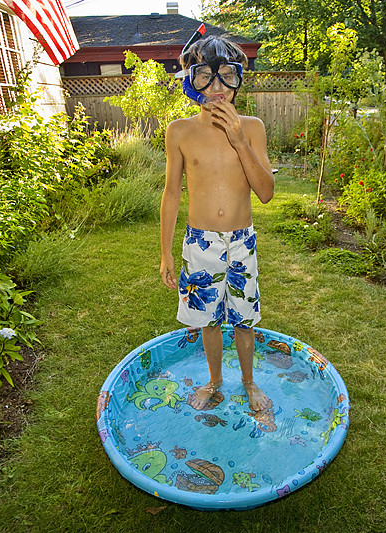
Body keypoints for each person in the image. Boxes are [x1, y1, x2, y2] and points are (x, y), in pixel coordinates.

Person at [160, 35, 274, 412]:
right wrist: (165, 253)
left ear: (239, 79)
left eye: (227, 77)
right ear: (191, 81)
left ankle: (249, 381)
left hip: (242, 241)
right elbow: (172, 194)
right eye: (207, 78)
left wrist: (239, 140)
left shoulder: (252, 127)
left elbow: (267, 193)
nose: (218, 88)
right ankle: (214, 379)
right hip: (200, 242)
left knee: (244, 319)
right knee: (208, 320)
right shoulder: (180, 130)